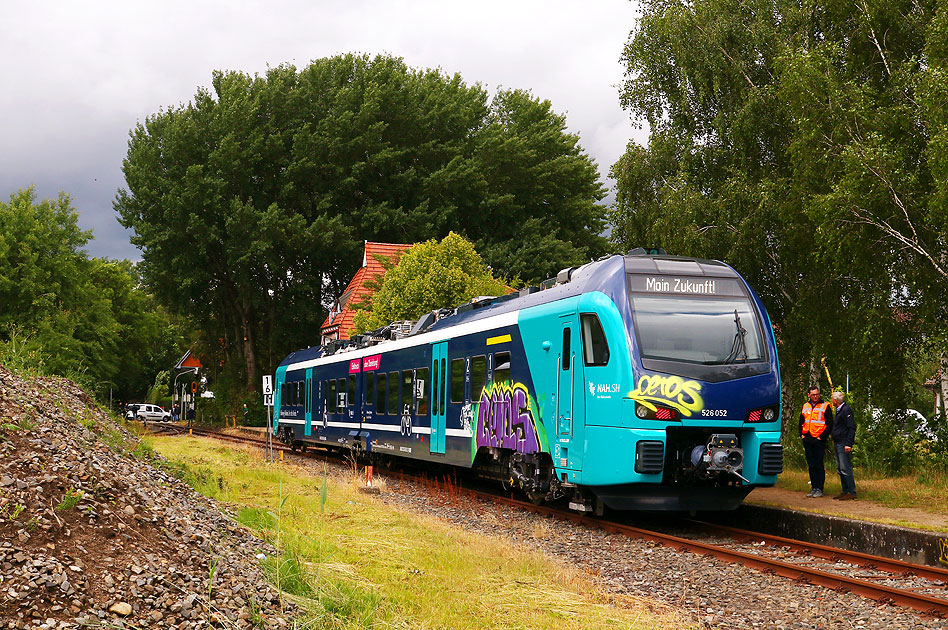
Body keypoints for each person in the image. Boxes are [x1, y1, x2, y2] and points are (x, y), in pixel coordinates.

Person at [800, 385, 833, 498]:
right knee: (811, 465)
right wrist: (802, 435)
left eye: (817, 394)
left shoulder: (825, 406)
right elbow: (801, 421)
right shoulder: (805, 406)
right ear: (809, 395)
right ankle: (814, 487)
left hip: (819, 439)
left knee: (819, 464)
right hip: (808, 438)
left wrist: (821, 437)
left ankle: (820, 488)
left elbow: (829, 424)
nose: (815, 396)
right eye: (813, 394)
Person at [831, 391, 857, 500]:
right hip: (838, 441)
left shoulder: (846, 410)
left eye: (832, 399)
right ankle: (845, 490)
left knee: (845, 467)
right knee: (840, 467)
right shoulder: (839, 410)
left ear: (836, 401)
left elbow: (851, 427)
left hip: (843, 442)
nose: (831, 400)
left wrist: (848, 443)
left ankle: (851, 491)